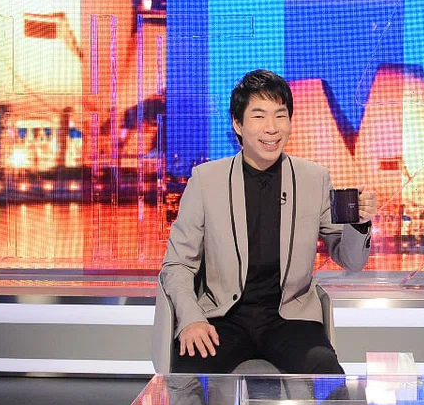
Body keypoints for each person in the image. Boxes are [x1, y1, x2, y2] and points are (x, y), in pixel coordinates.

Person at [161, 69, 377, 374]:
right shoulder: (206, 180)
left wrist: (359, 224)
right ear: (238, 124)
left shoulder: (314, 178)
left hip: (290, 318)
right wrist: (191, 318)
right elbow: (177, 265)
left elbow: (351, 260)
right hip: (223, 317)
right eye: (259, 116)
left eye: (280, 115)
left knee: (326, 376)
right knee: (189, 378)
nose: (272, 128)